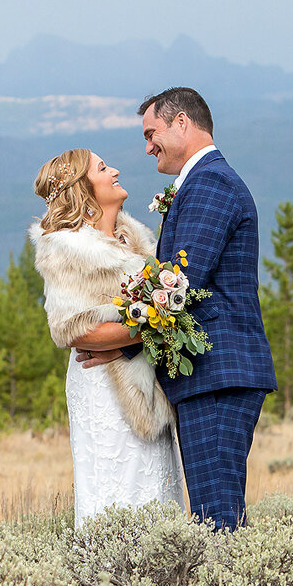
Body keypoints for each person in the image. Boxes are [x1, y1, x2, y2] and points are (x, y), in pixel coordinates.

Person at [81, 87, 277, 531]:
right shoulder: (204, 182)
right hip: (212, 376)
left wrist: (119, 344)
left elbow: (180, 287)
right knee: (215, 512)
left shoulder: (210, 183)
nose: (148, 146)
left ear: (182, 123)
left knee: (216, 519)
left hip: (217, 374)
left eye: (152, 133)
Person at [30, 148, 184, 527]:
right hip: (107, 390)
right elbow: (70, 330)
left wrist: (133, 336)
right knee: (118, 488)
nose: (114, 170)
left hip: (149, 389)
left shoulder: (135, 240)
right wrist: (154, 326)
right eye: (103, 168)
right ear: (84, 189)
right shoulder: (68, 250)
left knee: (157, 488)